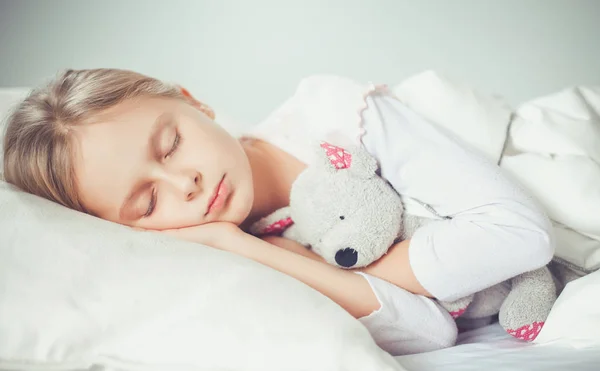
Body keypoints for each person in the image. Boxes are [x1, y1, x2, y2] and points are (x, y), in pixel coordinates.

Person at [2, 69, 554, 355]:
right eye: (148, 202)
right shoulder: (253, 248)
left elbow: (520, 233)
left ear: (194, 102)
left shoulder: (332, 116)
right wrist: (239, 246)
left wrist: (359, 271)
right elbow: (431, 332)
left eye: (170, 144)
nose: (184, 183)